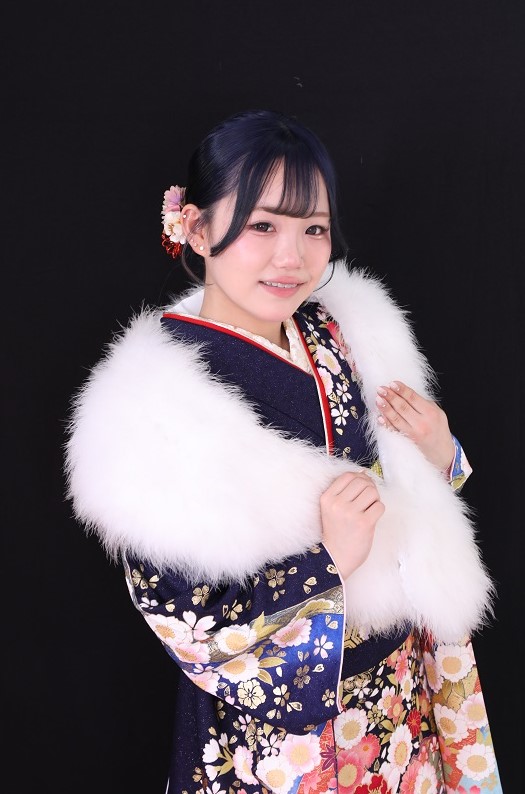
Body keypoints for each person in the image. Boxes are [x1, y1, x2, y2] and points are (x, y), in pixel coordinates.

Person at [65, 109, 502, 793]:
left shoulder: (341, 332)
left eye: (313, 229)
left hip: (400, 690)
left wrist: (438, 452)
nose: (291, 258)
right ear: (196, 228)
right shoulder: (151, 406)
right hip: (281, 730)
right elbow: (185, 620)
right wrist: (328, 561)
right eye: (262, 226)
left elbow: (415, 498)